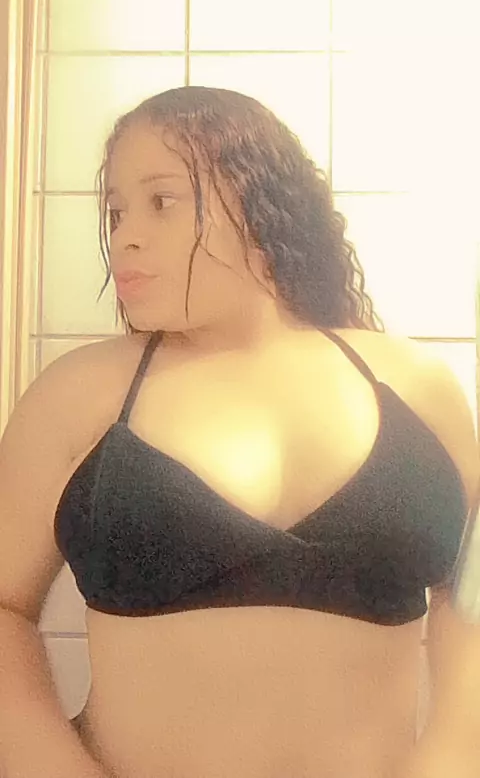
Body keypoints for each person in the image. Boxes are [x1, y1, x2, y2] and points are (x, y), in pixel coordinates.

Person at [0, 86, 478, 778]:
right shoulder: (77, 394)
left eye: (162, 201)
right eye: (116, 211)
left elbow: (470, 587)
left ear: (259, 204)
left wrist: (455, 751)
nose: (125, 234)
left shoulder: (416, 385)